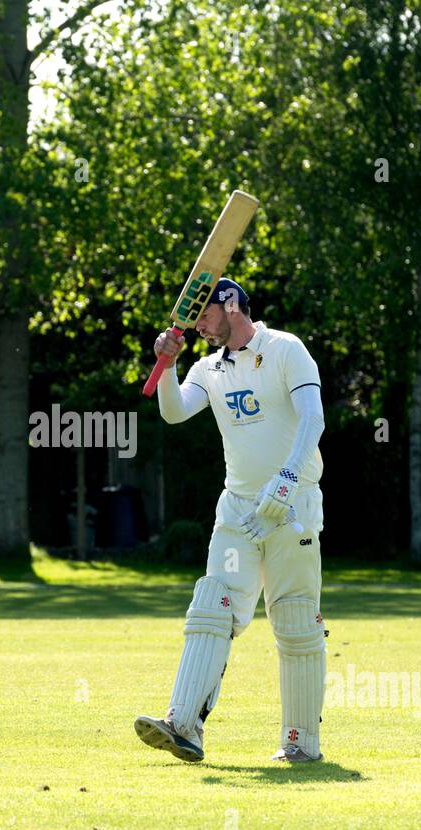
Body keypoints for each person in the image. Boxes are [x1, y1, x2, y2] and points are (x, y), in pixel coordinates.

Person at [133, 278, 328, 763]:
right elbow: (175, 413)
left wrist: (287, 479)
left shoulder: (286, 349)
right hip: (238, 507)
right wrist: (170, 366)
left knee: (296, 619)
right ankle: (183, 725)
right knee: (213, 605)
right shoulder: (208, 368)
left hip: (292, 502)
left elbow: (313, 418)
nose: (197, 324)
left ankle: (301, 744)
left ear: (232, 304)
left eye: (203, 313)